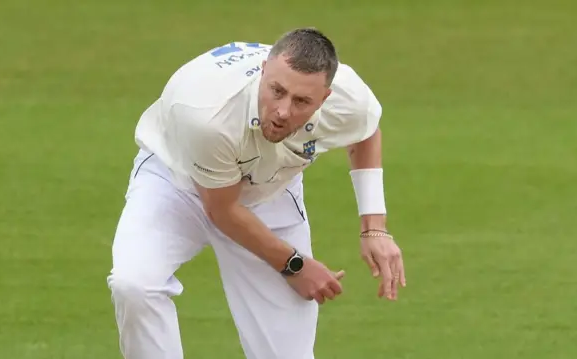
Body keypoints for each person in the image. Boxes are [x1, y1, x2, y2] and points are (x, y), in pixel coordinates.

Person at [106, 27, 406, 359]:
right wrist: (295, 265)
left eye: (301, 101)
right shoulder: (207, 112)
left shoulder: (350, 98)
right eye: (276, 90)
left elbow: (363, 132)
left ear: (325, 98)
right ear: (263, 71)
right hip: (175, 179)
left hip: (269, 191)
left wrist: (374, 227)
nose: (282, 111)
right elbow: (222, 210)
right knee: (134, 284)